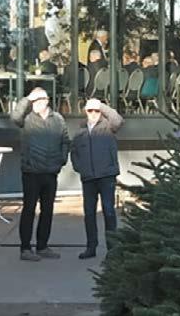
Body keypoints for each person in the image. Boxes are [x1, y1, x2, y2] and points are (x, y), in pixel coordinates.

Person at [11, 87, 70, 261]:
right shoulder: (27, 119)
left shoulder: (58, 119)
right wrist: (27, 99)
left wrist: (62, 160)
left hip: (51, 172)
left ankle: (42, 246)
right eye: (34, 101)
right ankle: (25, 248)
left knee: (48, 210)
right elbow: (15, 117)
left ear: (46, 101)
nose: (36, 103)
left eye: (39, 100)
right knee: (29, 210)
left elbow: (65, 141)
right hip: (31, 172)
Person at [71, 99, 123, 259]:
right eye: (90, 110)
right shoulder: (80, 131)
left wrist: (101, 105)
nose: (93, 113)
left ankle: (112, 249)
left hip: (106, 176)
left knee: (109, 212)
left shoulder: (108, 126)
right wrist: (80, 168)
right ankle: (91, 247)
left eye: (96, 110)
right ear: (85, 112)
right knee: (89, 213)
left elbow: (118, 120)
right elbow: (74, 152)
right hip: (88, 178)